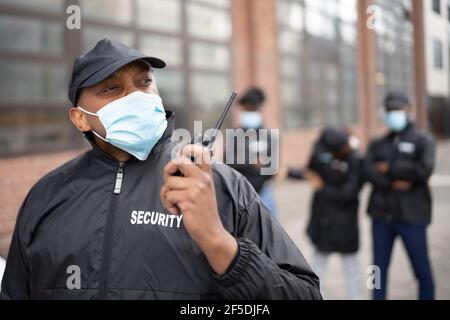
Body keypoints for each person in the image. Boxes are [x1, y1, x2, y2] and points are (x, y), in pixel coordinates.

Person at [0, 39, 321, 300]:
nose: (136, 97)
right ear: (80, 118)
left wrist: (219, 243)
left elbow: (305, 295)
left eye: (144, 83)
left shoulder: (223, 187)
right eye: (112, 89)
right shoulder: (46, 196)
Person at [364, 91, 436, 300]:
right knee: (376, 269)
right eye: (390, 110)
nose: (394, 114)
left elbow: (424, 170)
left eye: (398, 109)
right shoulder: (378, 142)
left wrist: (390, 167)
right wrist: (394, 181)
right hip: (381, 215)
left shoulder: (424, 140)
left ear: (408, 109)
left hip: (412, 215)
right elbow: (368, 171)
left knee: (422, 269)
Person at [285, 127, 364, 300]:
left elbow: (348, 193)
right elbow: (310, 172)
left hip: (346, 224)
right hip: (323, 221)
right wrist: (291, 172)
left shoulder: (355, 159)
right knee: (316, 266)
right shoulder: (321, 153)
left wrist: (323, 187)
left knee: (352, 268)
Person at [227, 87, 278, 217]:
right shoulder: (234, 136)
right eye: (247, 109)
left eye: (253, 109)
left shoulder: (268, 136)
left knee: (270, 230)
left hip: (263, 192)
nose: (250, 112)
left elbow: (273, 168)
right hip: (240, 191)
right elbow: (228, 164)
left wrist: (262, 166)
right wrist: (250, 163)